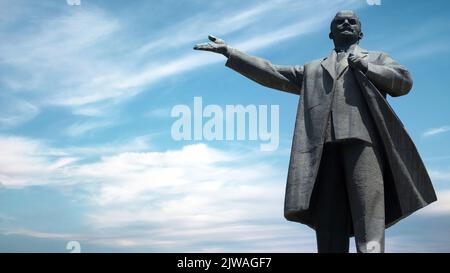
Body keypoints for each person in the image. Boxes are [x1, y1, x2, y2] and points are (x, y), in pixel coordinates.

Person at [194, 10, 436, 253]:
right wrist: (231, 53)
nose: (346, 24)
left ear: (360, 33)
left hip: (364, 144)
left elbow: (403, 82)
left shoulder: (376, 58)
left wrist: (368, 68)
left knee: (369, 214)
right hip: (324, 149)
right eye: (339, 22)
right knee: (329, 220)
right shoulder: (313, 70)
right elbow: (272, 72)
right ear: (330, 34)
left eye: (352, 22)